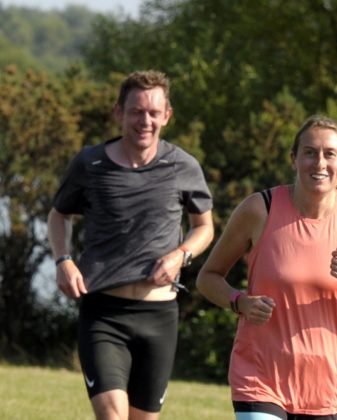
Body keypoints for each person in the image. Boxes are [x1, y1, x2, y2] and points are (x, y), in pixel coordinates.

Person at [47, 70, 214, 420]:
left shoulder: (182, 166)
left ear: (167, 116)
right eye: (137, 111)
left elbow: (204, 228)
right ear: (118, 112)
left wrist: (179, 256)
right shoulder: (90, 163)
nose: (145, 121)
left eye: (154, 113)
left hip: (160, 315)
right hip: (104, 313)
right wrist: (63, 259)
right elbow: (58, 215)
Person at [197, 115, 337, 420]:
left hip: (324, 387)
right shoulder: (260, 209)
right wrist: (239, 302)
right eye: (309, 152)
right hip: (260, 378)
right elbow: (207, 277)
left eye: (329, 154)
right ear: (294, 159)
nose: (319, 163)